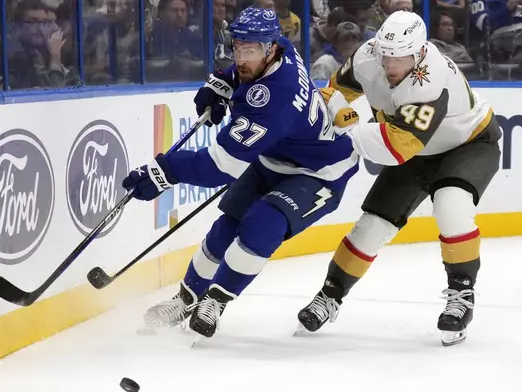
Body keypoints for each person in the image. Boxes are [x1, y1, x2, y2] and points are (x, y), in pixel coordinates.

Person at [122, 7, 359, 339]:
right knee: (226, 227)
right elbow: (244, 73)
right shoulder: (283, 50)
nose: (242, 56)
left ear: (270, 47)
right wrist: (224, 81)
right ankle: (187, 298)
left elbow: (219, 167)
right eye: (238, 48)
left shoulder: (276, 98)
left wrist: (164, 171)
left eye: (251, 50)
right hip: (275, 159)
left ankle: (216, 301)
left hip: (322, 172)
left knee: (264, 223)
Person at [297, 11, 502, 346]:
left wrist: (348, 128)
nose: (390, 66)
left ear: (419, 53)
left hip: (468, 143)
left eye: (400, 58)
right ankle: (329, 294)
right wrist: (326, 116)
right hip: (413, 146)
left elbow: (397, 148)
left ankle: (462, 294)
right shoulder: (367, 56)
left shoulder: (431, 79)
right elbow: (334, 93)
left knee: (451, 204)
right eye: (385, 55)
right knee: (372, 224)